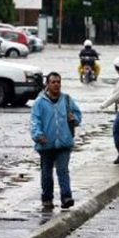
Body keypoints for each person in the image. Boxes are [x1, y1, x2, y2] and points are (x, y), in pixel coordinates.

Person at [31, 72, 82, 211]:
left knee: (63, 170)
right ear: (47, 84)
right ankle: (47, 199)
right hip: (46, 143)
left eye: (58, 82)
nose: (56, 85)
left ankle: (66, 197)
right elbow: (35, 121)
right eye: (53, 82)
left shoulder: (66, 100)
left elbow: (78, 114)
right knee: (47, 172)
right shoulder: (40, 102)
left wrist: (74, 119)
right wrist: (38, 135)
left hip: (64, 142)